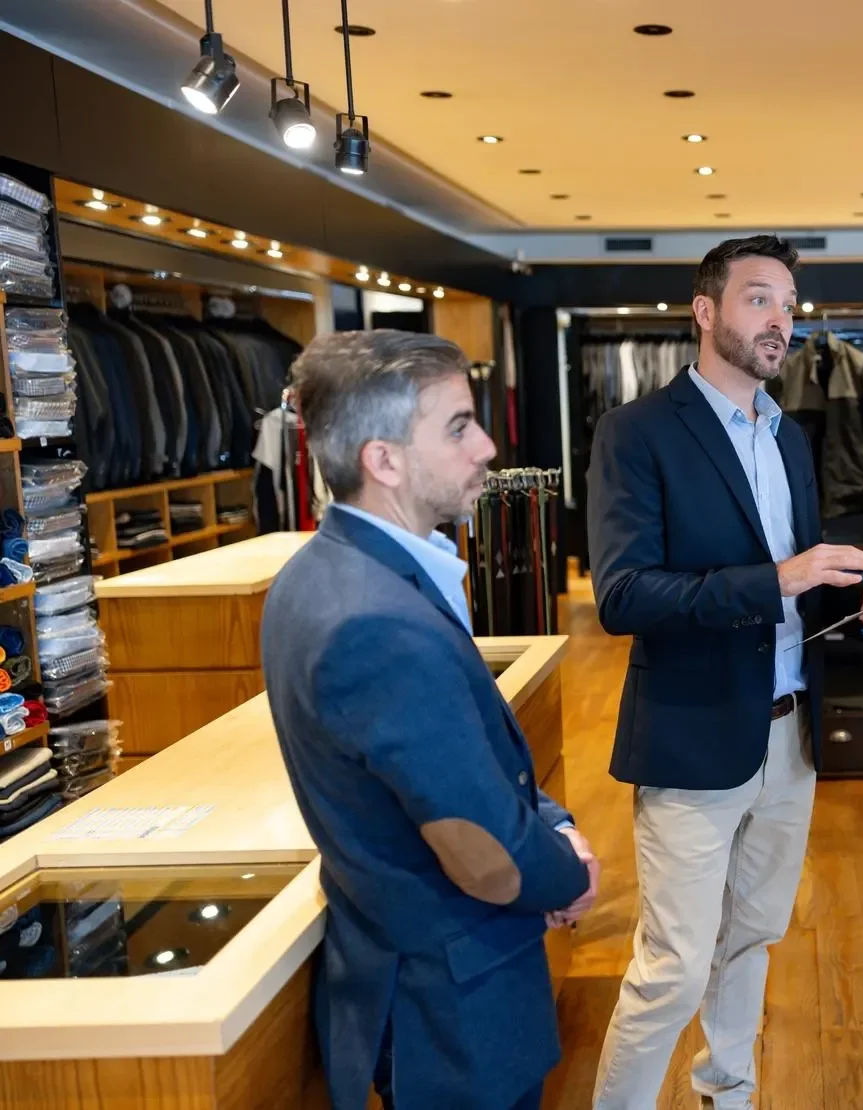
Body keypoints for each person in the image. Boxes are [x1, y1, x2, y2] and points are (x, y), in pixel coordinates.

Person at [586, 234, 863, 1110]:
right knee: (673, 967)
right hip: (692, 736)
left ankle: (725, 1095)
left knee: (752, 938)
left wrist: (858, 598)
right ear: (706, 312)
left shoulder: (789, 438)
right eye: (759, 299)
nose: (781, 321)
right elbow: (621, 596)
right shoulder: (637, 432)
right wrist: (780, 578)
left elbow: (797, 591)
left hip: (788, 736)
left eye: (788, 305)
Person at [262, 331, 600, 1110]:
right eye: (457, 426)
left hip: (417, 980)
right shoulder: (377, 620)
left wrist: (550, 823)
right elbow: (484, 857)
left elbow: (459, 762)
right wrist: (567, 869)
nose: (486, 446)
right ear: (384, 460)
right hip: (448, 1013)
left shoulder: (324, 574)